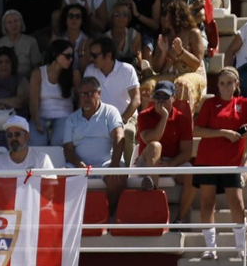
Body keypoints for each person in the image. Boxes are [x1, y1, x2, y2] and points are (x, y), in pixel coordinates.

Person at [194, 65, 247, 259]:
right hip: (207, 160)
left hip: (232, 162)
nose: (225, 87)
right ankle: (210, 247)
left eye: (229, 83)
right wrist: (223, 133)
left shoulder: (244, 104)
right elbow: (196, 131)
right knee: (207, 203)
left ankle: (240, 247)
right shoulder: (210, 104)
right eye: (222, 83)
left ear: (237, 84)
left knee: (236, 202)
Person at [62, 79, 129, 215]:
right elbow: (68, 148)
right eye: (82, 94)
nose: (86, 97)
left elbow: (119, 137)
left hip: (107, 163)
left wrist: (114, 165)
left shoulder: (110, 112)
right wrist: (78, 163)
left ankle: (107, 217)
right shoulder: (71, 119)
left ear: (99, 93)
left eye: (90, 93)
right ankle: (70, 218)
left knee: (116, 179)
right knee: (59, 176)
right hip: (79, 165)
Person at [136, 81, 195, 214]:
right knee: (155, 146)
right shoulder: (144, 115)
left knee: (192, 175)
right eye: (158, 97)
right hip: (146, 162)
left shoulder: (182, 119)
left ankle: (180, 219)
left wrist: (171, 164)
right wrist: (164, 117)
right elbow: (151, 140)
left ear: (174, 97)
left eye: (165, 97)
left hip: (171, 162)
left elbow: (186, 152)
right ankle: (154, 198)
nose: (161, 101)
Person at [151, 0, 208, 111]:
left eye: (165, 15)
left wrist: (181, 52)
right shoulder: (164, 37)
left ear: (175, 15)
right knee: (149, 85)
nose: (162, 19)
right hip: (169, 75)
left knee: (182, 85)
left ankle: (181, 123)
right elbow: (156, 68)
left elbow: (196, 63)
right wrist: (163, 52)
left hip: (192, 74)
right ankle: (152, 125)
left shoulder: (193, 33)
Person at [28, 37, 78, 147]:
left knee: (58, 143)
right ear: (56, 54)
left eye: (72, 57)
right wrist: (36, 121)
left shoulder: (74, 74)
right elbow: (33, 102)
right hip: (41, 116)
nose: (70, 60)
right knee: (36, 144)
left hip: (65, 116)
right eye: (67, 56)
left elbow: (81, 99)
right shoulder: (38, 73)